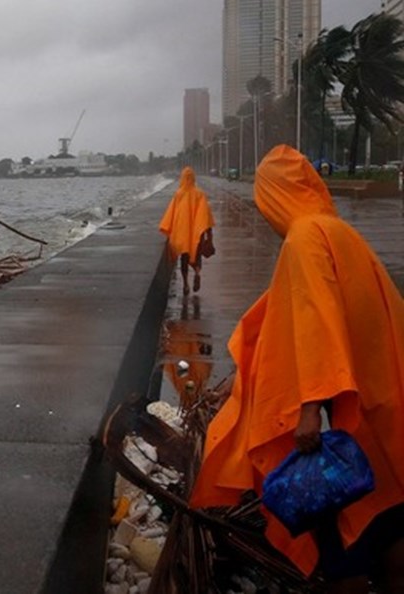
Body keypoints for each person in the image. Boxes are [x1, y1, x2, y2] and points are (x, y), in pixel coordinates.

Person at [191, 145, 404, 592]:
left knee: (343, 526)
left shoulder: (304, 238)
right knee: (390, 511)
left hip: (346, 413)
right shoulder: (338, 232)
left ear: (274, 196)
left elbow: (316, 318)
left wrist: (309, 406)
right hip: (383, 400)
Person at [158, 166, 215, 294]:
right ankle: (197, 273)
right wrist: (208, 234)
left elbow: (171, 214)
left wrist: (168, 228)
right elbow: (205, 215)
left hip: (182, 233)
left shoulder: (178, 194)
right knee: (196, 256)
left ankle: (185, 284)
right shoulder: (200, 194)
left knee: (184, 258)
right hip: (196, 233)